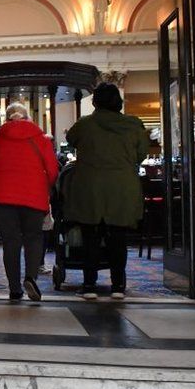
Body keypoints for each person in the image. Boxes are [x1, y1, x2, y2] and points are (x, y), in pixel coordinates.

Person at [65, 83, 150, 300]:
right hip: (122, 187)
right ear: (118, 102)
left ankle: (89, 284)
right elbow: (141, 154)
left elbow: (70, 140)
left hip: (90, 186)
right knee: (118, 238)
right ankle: (118, 286)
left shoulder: (85, 125)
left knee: (90, 237)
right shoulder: (133, 125)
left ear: (95, 102)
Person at [0, 103, 59, 301]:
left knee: (10, 241)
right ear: (27, 118)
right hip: (33, 194)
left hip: (3, 195)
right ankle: (31, 278)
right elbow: (52, 170)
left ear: (6, 119)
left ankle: (14, 289)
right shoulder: (40, 139)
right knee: (33, 237)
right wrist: (46, 186)